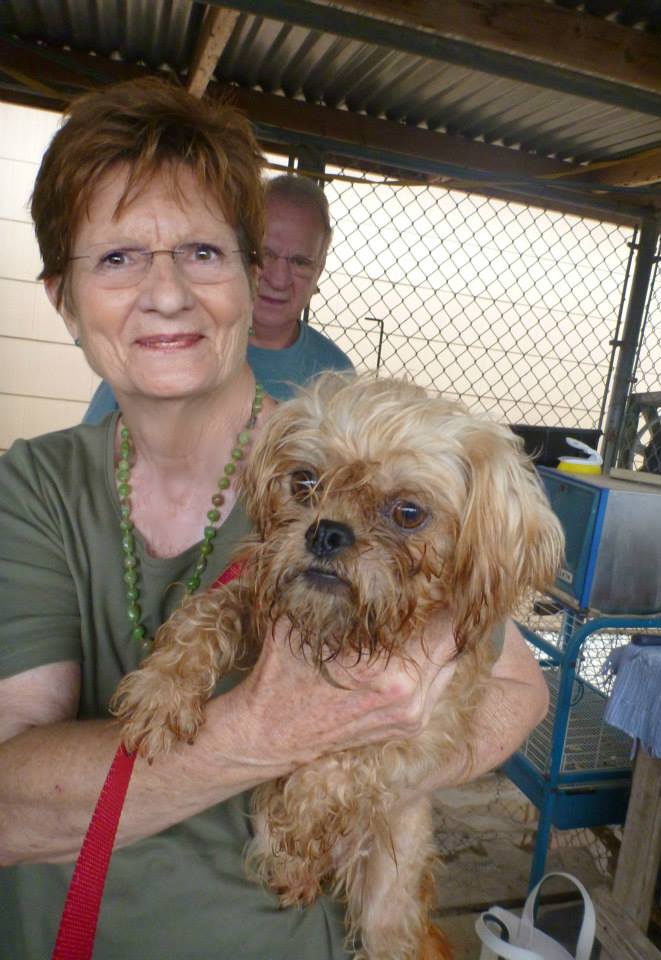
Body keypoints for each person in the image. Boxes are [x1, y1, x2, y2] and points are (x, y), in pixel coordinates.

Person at [0, 78, 549, 960]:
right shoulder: (32, 489)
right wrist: (267, 734)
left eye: (202, 254)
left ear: (253, 280)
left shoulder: (350, 445)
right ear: (62, 299)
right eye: (115, 258)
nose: (167, 293)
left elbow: (519, 693)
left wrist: (373, 766)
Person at [84, 174, 353, 422]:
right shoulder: (174, 340)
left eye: (300, 262)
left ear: (320, 267)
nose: (279, 278)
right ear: (240, 251)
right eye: (266, 254)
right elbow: (93, 454)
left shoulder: (335, 373)